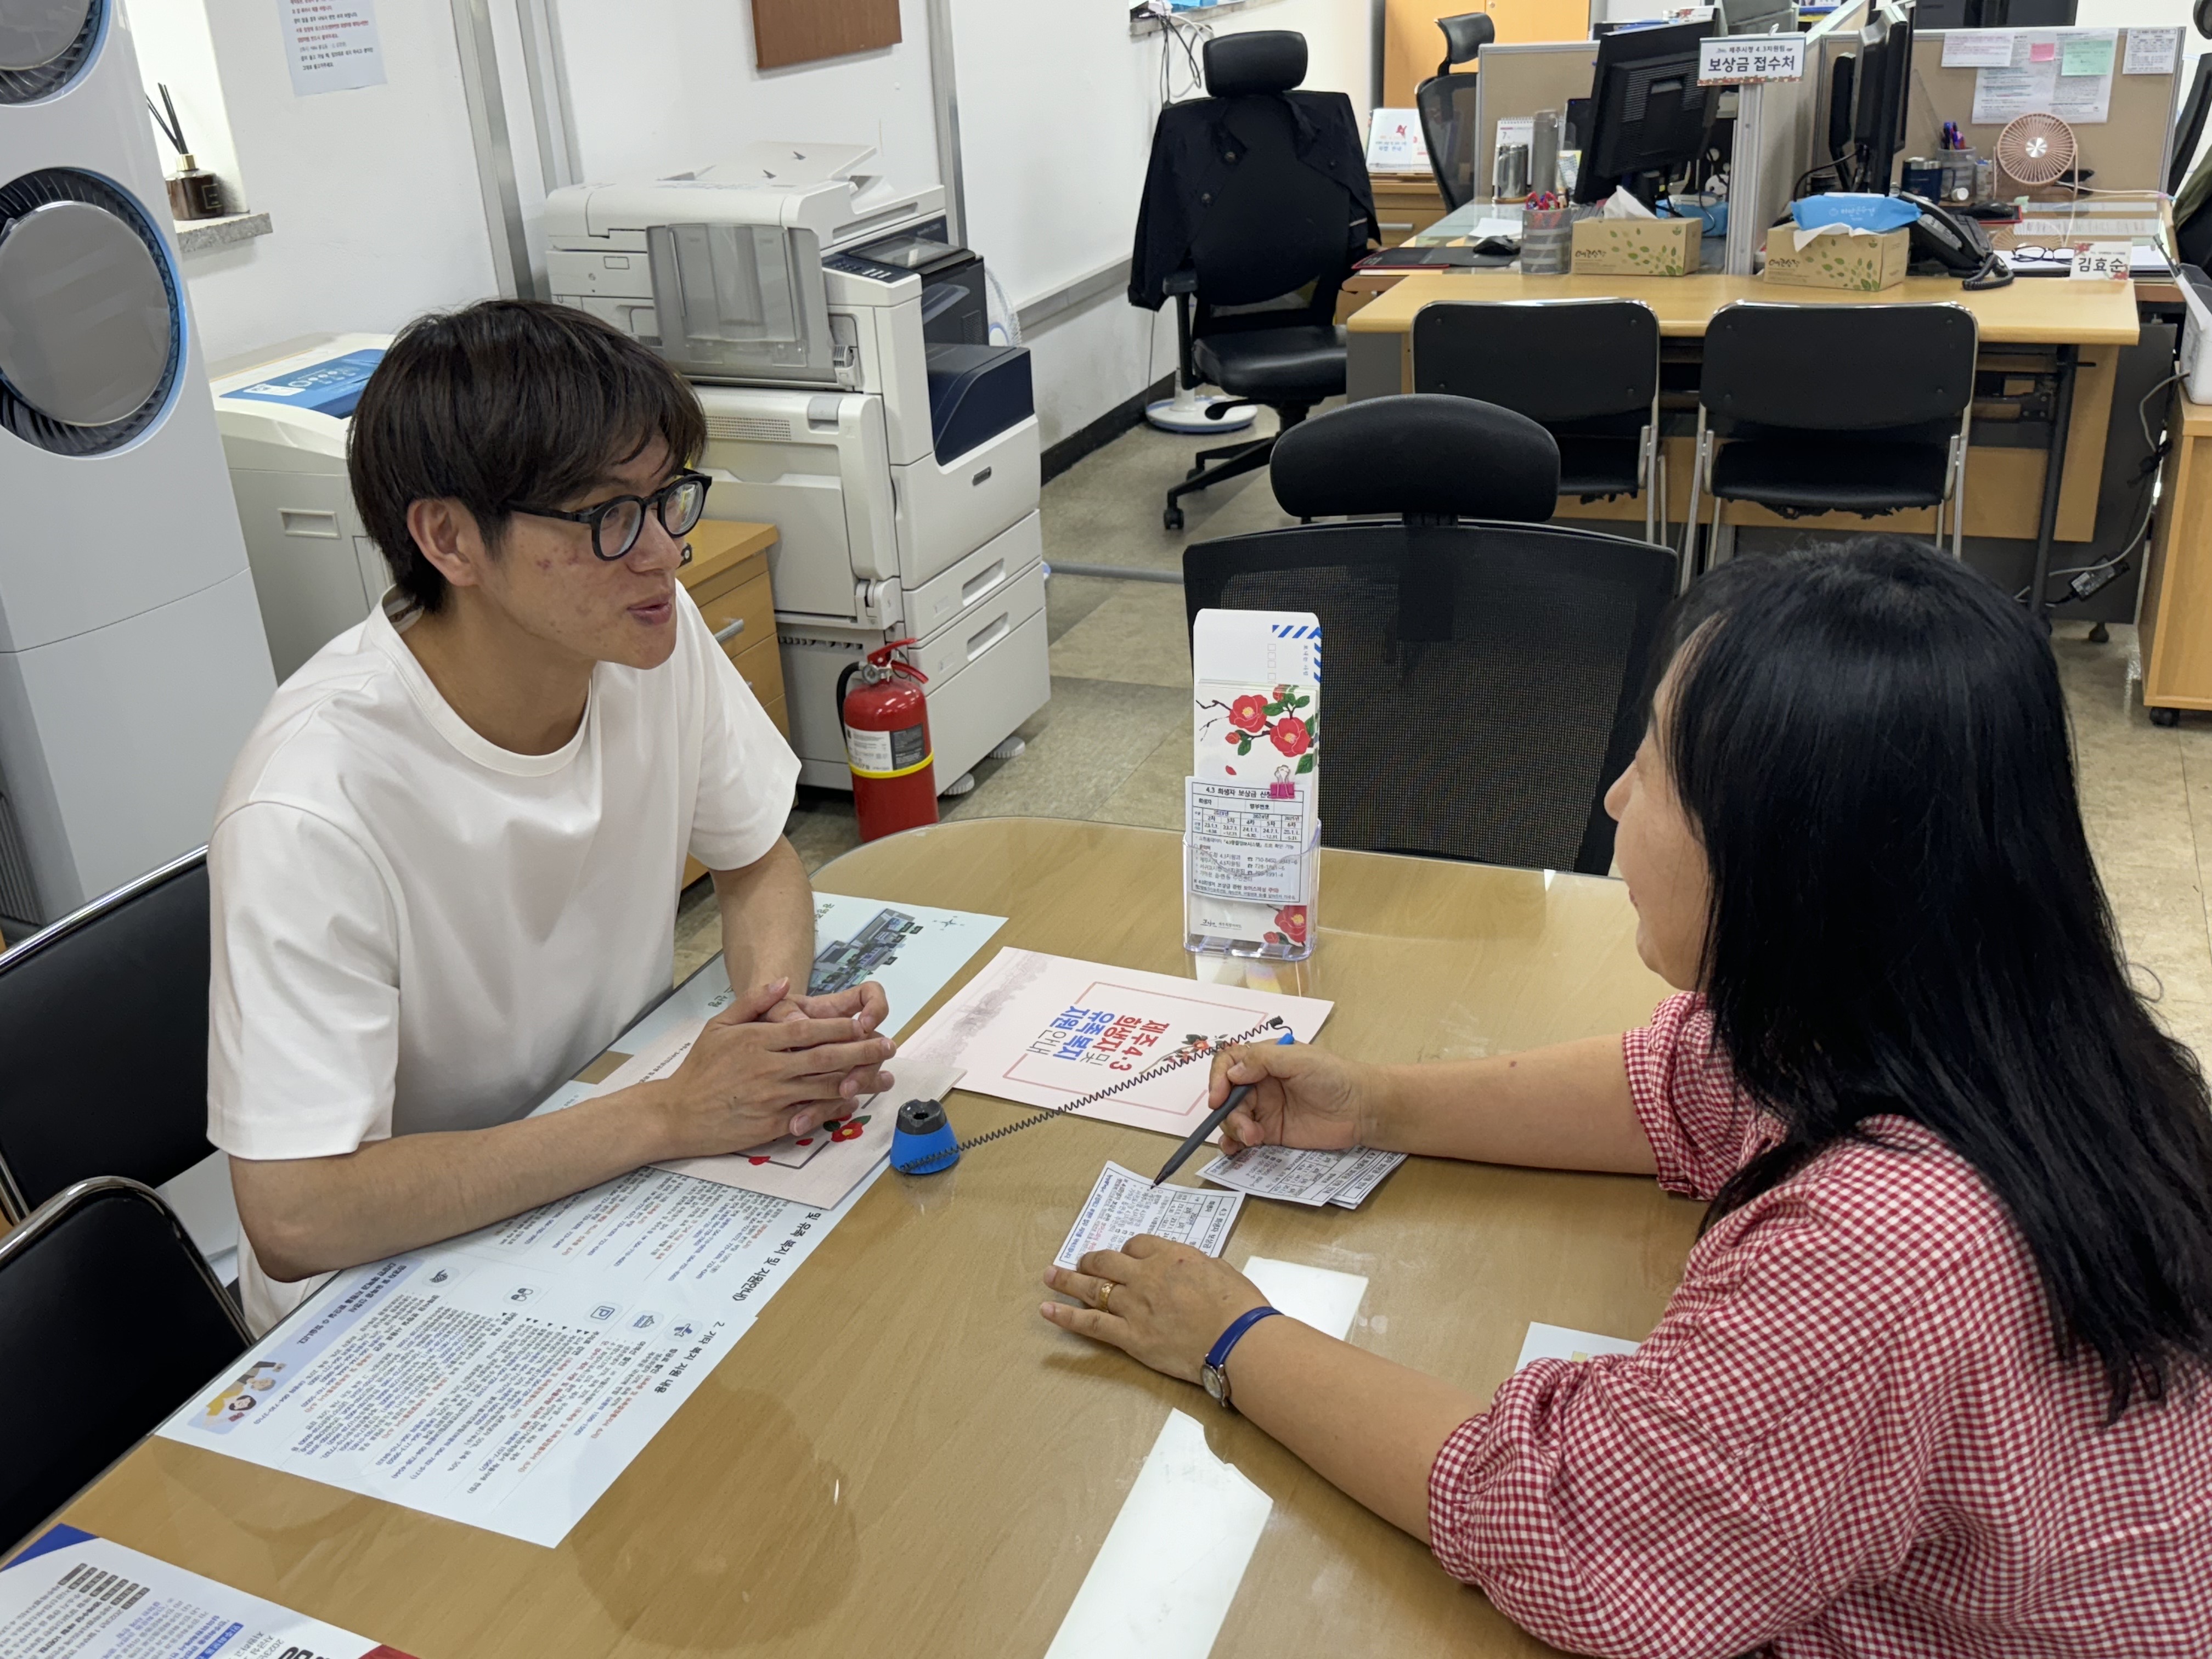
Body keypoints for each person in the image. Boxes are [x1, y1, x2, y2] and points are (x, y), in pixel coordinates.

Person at [1040, 539, 2212, 1655]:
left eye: (1652, 767)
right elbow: (1678, 1083)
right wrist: (1376, 1105)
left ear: (1782, 858)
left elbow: (1574, 1531)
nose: (1612, 801)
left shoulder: (1886, 1246)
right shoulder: (1990, 1018)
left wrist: (1235, 1338)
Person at [211, 301, 896, 1334]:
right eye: (607, 517)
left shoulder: (640, 641)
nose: (663, 553)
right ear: (449, 539)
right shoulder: (313, 805)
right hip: (392, 1295)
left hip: (597, 1183)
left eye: (669, 500)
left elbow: (757, 861)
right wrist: (669, 1112)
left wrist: (772, 1033)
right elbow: (297, 1214)